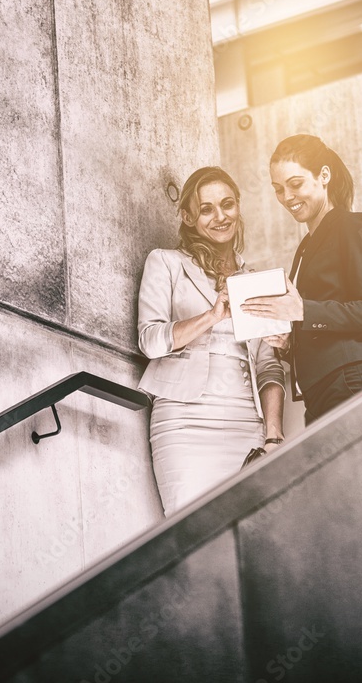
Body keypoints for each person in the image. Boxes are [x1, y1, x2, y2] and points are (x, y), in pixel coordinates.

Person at [137, 166, 286, 516]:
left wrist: (273, 436)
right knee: (193, 531)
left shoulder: (257, 280)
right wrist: (212, 316)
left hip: (246, 421)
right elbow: (150, 341)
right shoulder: (166, 263)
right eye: (206, 209)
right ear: (188, 217)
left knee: (254, 532)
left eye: (227, 204)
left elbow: (268, 366)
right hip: (184, 422)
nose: (220, 216)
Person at [241, 134, 362, 425]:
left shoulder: (351, 226)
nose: (287, 197)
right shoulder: (305, 247)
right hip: (319, 391)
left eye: (295, 184)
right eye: (278, 189)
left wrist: (303, 311)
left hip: (350, 380)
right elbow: (318, 322)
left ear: (324, 175)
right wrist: (288, 343)